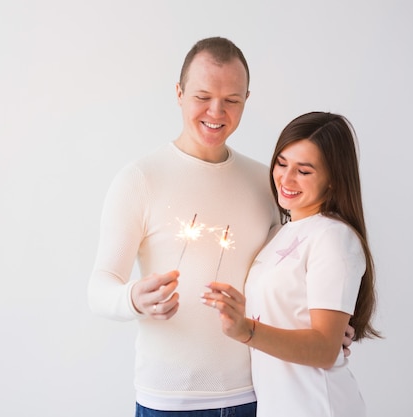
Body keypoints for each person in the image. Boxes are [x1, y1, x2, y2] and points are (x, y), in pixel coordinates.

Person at [88, 38, 353, 416]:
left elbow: (291, 272)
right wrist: (133, 298)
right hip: (169, 400)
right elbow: (98, 287)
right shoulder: (140, 180)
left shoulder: (268, 182)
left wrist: (325, 331)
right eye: (202, 96)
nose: (217, 111)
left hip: (257, 396)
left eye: (232, 99)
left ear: (246, 99)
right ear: (178, 94)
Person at [201, 111, 381, 417]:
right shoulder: (277, 234)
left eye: (304, 171)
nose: (286, 179)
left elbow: (325, 350)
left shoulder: (334, 237)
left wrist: (246, 329)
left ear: (333, 181)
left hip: (319, 407)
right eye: (281, 163)